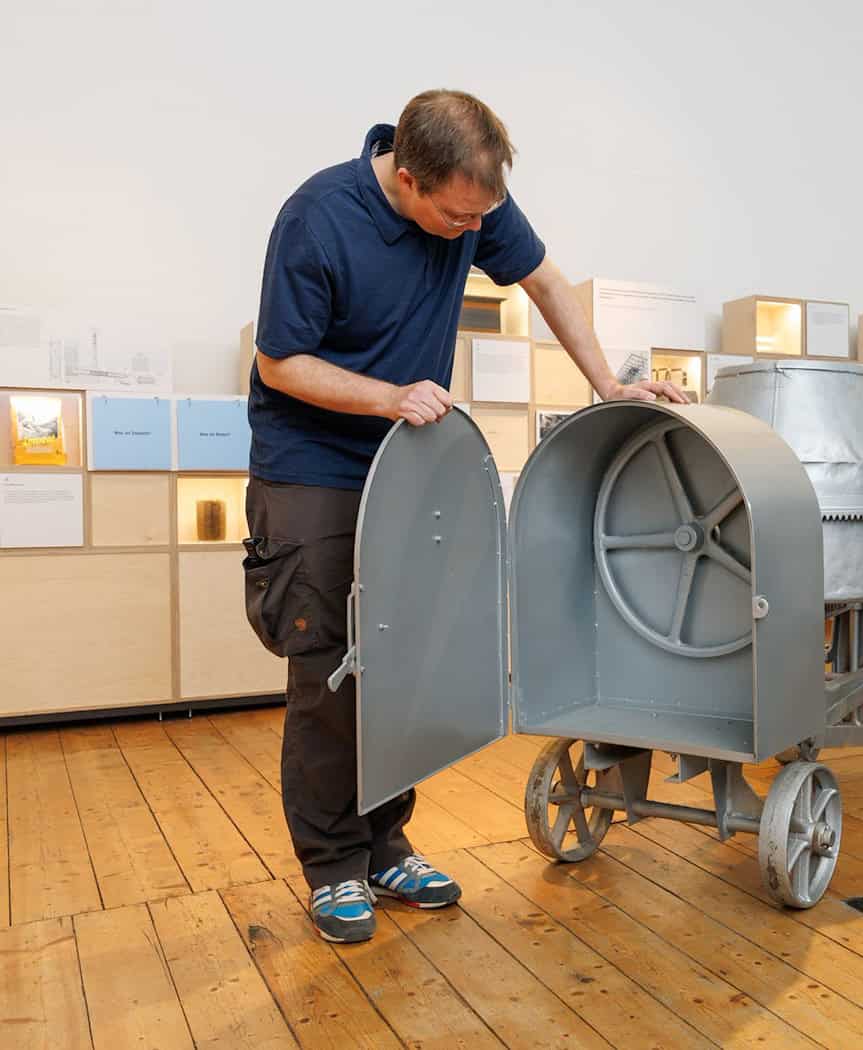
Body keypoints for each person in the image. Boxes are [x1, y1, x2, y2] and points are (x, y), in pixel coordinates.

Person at [243, 89, 684, 943]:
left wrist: (608, 384)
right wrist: (388, 396)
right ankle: (334, 865)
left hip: (405, 463)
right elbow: (281, 360)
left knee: (404, 663)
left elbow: (546, 280)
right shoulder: (317, 218)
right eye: (455, 218)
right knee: (333, 669)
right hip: (314, 471)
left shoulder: (473, 201)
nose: (469, 232)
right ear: (407, 179)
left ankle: (385, 846)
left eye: (480, 217)